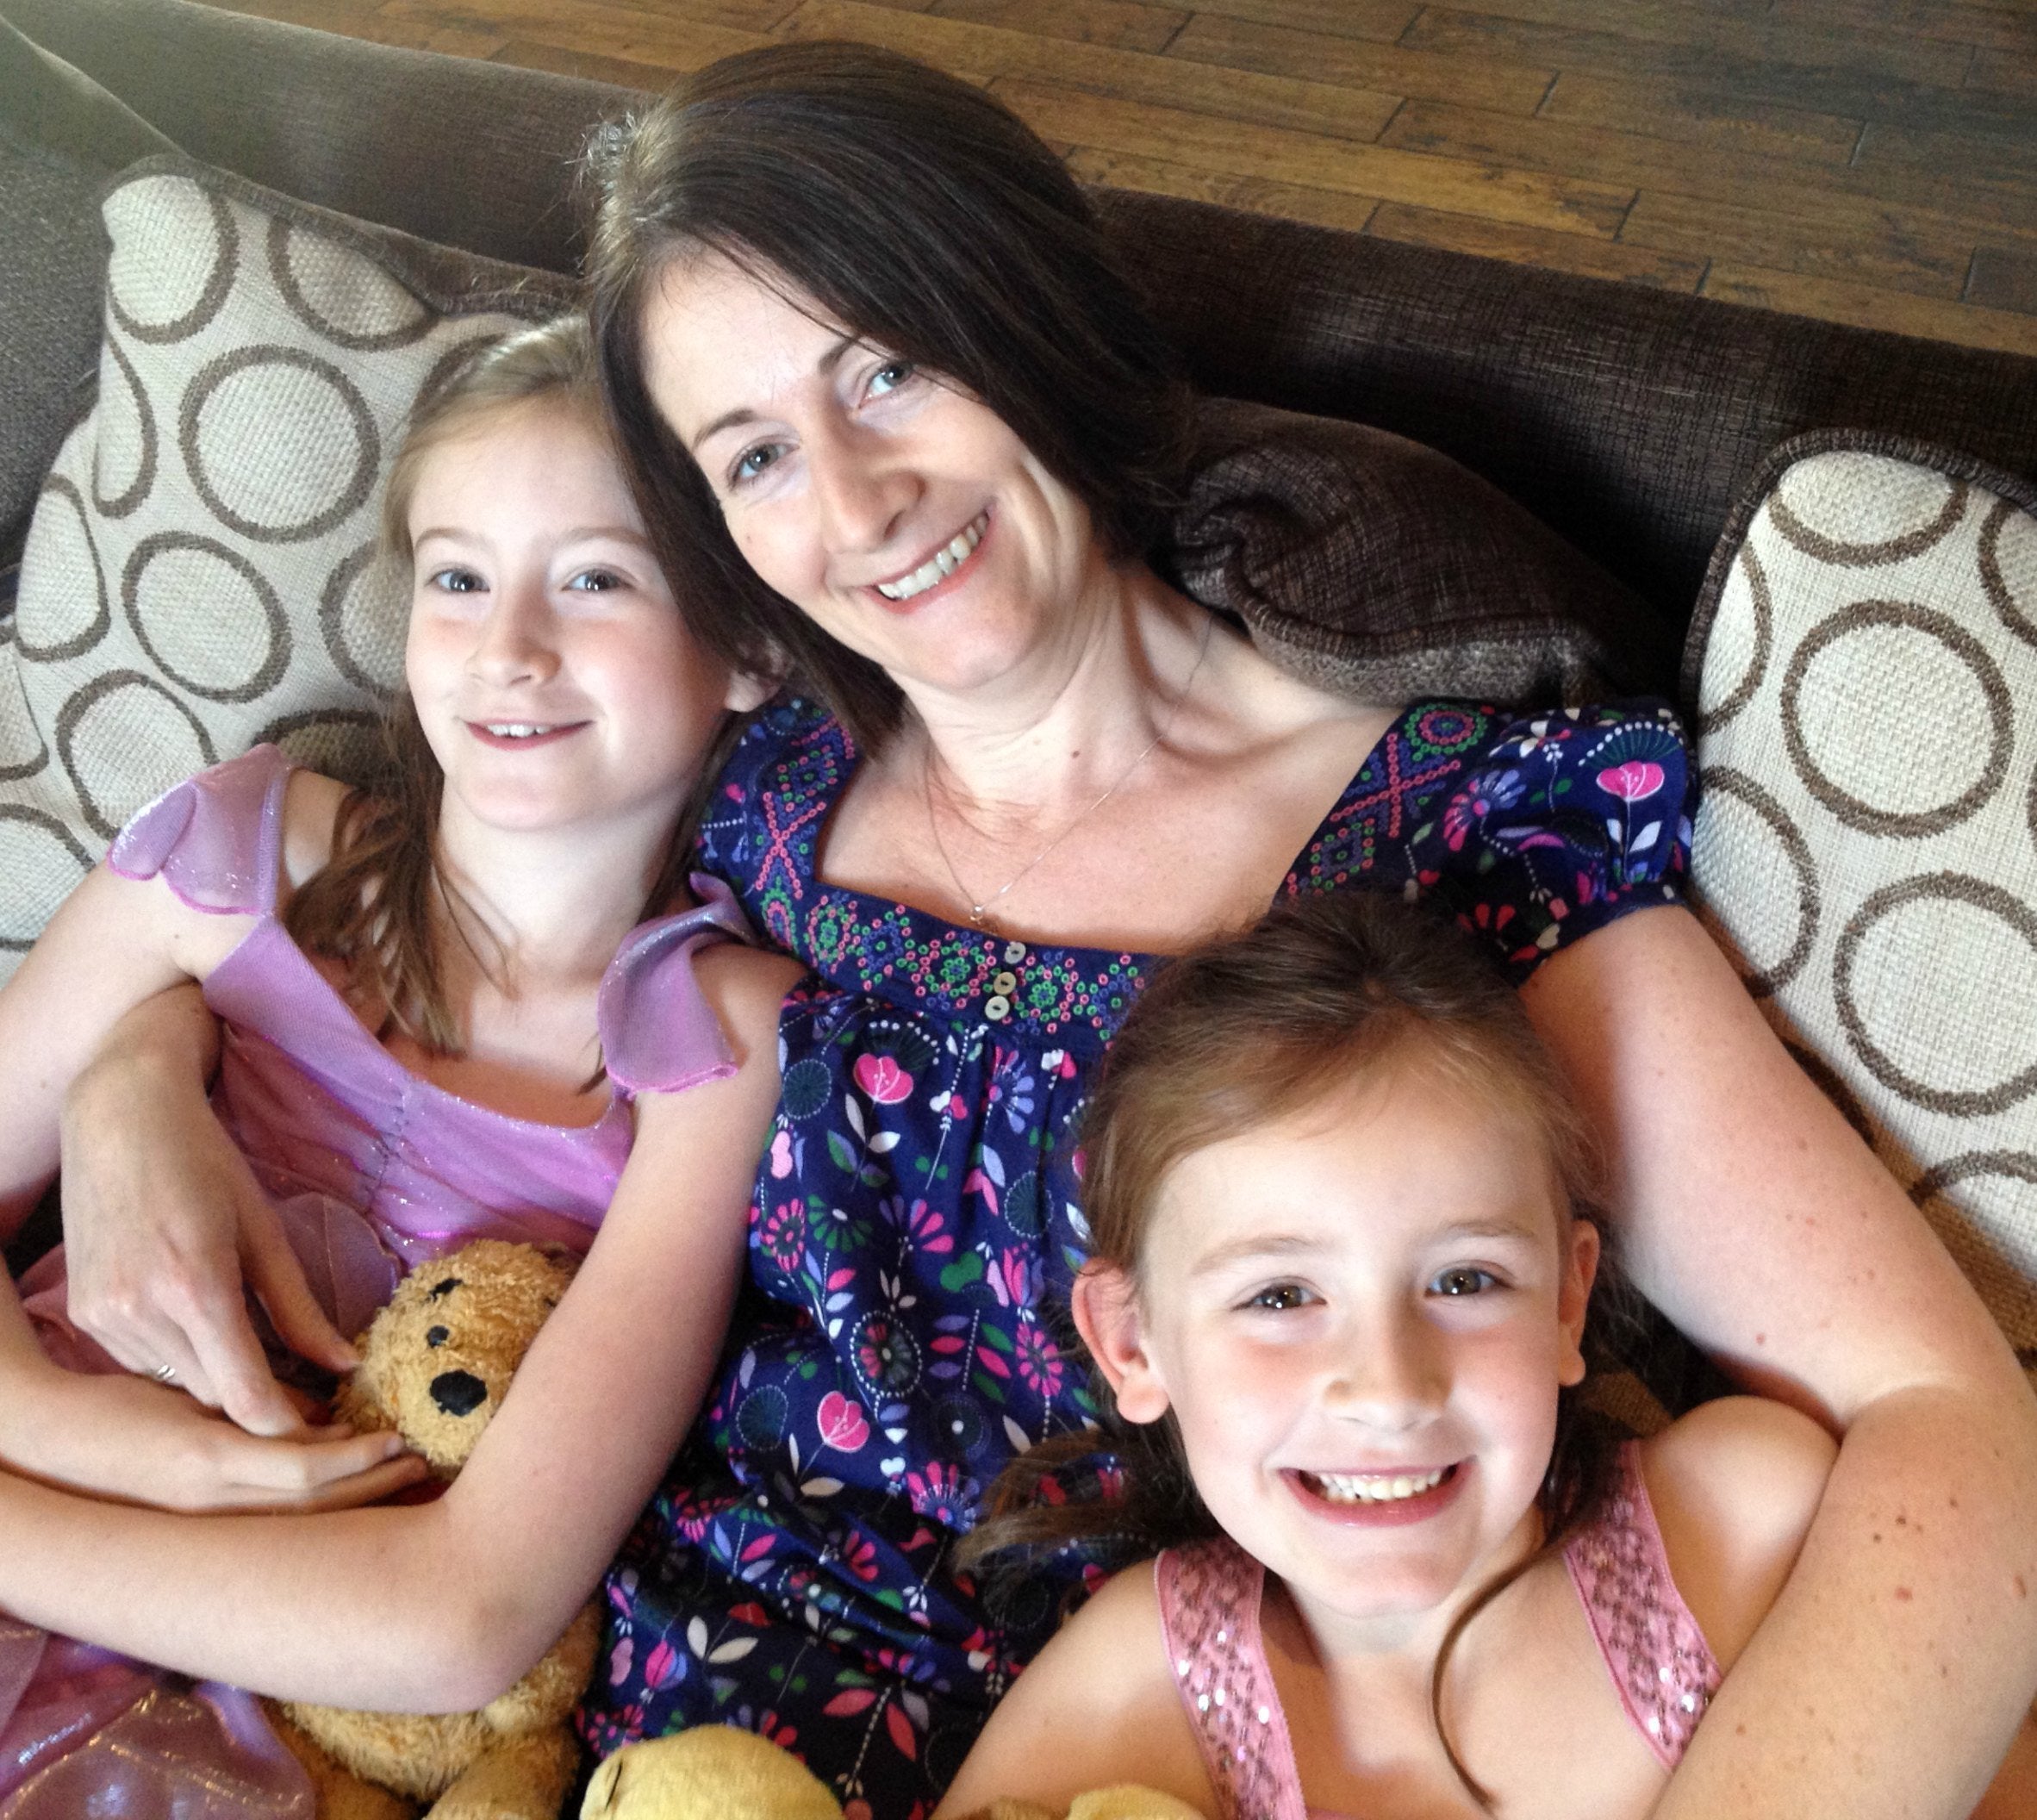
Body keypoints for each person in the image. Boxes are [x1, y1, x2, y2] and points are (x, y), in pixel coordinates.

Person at [53, 43, 2037, 1820]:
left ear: (1023, 305)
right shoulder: (744, 807)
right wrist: (136, 1070)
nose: (852, 497)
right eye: (749, 456)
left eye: (886, 366)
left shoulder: (1451, 859)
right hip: (619, 1738)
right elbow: (362, 872)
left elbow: (1951, 1430)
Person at [0, 317, 800, 1814]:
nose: (509, 647)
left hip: (291, 1705)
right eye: (456, 575)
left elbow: (464, 1621)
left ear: (750, 643)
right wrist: (64, 1432)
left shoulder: (715, 1042)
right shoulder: (233, 854)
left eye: (597, 577)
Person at [936, 893, 2037, 1820]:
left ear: (1566, 1300)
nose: (1390, 1388)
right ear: (1133, 1345)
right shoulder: (1138, 1686)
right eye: (1279, 1295)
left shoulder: (1742, 1526)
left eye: (1464, 1281)